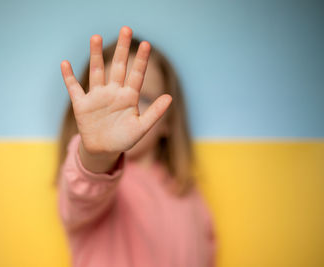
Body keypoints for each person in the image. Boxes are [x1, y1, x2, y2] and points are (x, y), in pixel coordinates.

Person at [56, 25, 216, 267]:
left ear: (168, 122)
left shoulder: (189, 195)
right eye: (107, 96)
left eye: (142, 96)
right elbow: (84, 188)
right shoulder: (97, 181)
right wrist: (97, 152)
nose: (122, 108)